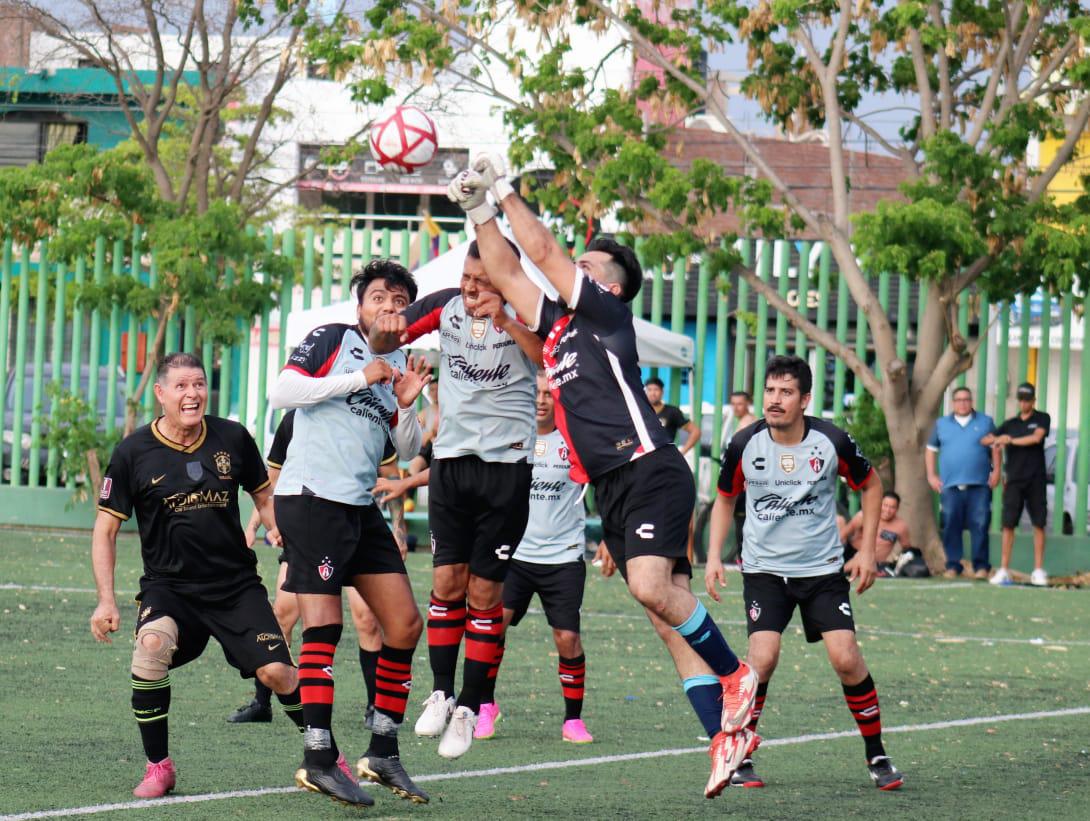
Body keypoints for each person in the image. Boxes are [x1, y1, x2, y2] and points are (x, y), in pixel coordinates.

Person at [447, 156, 757, 800]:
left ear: (609, 286)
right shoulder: (558, 326)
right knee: (666, 618)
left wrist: (503, 189)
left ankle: (736, 677)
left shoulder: (606, 317)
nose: (571, 268)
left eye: (584, 265)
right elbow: (507, 270)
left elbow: (539, 250)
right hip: (613, 488)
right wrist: (477, 210)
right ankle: (726, 741)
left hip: (648, 468)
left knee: (650, 587)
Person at [91, 353, 302, 799]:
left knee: (279, 674)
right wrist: (106, 599)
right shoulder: (132, 452)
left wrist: (276, 525)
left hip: (234, 586)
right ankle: (159, 768)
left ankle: (325, 754)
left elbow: (264, 496)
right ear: (161, 393)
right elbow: (105, 530)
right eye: (182, 386)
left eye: (200, 385)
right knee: (150, 648)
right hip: (169, 588)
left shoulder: (233, 437)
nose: (193, 395)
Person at [370, 239, 542, 761]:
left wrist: (505, 319)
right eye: (467, 277)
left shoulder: (530, 310)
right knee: (446, 582)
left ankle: (469, 706)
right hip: (450, 464)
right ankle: (442, 693)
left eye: (482, 281)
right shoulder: (446, 306)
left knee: (485, 595)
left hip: (506, 468)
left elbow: (548, 358)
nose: (470, 288)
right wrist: (386, 323)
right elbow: (388, 335)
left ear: (505, 280)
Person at [269, 259, 431, 807]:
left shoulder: (401, 361)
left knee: (404, 624)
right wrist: (362, 377)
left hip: (359, 506)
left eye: (400, 301)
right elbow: (283, 392)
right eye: (380, 297)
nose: (390, 307)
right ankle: (318, 758)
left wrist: (405, 405)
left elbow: (405, 448)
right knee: (325, 625)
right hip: (312, 498)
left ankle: (382, 751)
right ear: (361, 306)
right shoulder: (334, 339)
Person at [707, 355, 904, 792]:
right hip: (764, 570)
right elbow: (724, 497)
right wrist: (714, 555)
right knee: (762, 659)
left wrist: (866, 552)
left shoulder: (831, 441)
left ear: (805, 399)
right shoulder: (744, 443)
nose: (774, 400)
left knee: (846, 658)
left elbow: (872, 486)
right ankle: (740, 754)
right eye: (770, 390)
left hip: (821, 571)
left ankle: (877, 754)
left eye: (786, 392)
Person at [229, 411, 409, 736]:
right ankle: (262, 701)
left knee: (367, 619)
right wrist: (258, 525)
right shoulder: (295, 419)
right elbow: (271, 483)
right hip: (309, 527)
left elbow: (391, 476)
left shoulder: (367, 414)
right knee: (282, 615)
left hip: (356, 528)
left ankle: (375, 706)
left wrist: (398, 527)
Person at [474, 370, 594, 744]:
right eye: (535, 392)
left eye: (547, 393)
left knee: (567, 638)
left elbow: (604, 483)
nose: (541, 399)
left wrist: (612, 538)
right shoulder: (511, 437)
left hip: (563, 556)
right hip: (516, 555)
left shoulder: (575, 441)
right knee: (493, 628)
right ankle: (485, 705)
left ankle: (573, 720)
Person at [925, 387, 1000, 579]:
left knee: (980, 524)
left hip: (979, 485)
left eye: (966, 399)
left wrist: (997, 471)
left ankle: (981, 567)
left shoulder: (985, 422)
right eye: (959, 400)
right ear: (953, 403)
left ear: (971, 401)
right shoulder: (941, 424)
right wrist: (931, 475)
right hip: (951, 485)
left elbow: (996, 447)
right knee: (951, 524)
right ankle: (952, 565)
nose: (963, 403)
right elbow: (931, 449)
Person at [983, 383, 1051, 587]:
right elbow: (987, 440)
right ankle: (1004, 569)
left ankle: (1038, 570)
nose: (1023, 403)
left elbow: (1036, 438)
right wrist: (997, 440)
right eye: (1021, 399)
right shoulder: (1010, 424)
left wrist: (1009, 440)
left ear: (1033, 400)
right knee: (1008, 524)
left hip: (1036, 479)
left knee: (1038, 524)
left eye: (1027, 400)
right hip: (1013, 480)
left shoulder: (1042, 418)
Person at [722, 391, 757, 562]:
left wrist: (746, 477)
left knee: (743, 518)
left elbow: (748, 452)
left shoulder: (748, 423)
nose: (736, 408)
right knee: (740, 518)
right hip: (742, 476)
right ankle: (744, 556)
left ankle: (745, 557)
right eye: (733, 404)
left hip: (746, 479)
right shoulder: (743, 422)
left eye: (740, 404)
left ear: (748, 403)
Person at [841, 491, 912, 571]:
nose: (888, 510)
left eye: (892, 507)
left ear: (897, 508)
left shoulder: (901, 526)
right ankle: (840, 572)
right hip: (852, 554)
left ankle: (841, 572)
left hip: (876, 564)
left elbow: (907, 549)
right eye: (885, 505)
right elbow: (842, 535)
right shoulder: (864, 515)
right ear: (879, 504)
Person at [645, 377, 700, 455]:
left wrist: (681, 453)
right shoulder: (641, 411)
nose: (652, 393)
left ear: (662, 392)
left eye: (656, 389)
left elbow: (695, 432)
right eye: (649, 390)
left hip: (665, 456)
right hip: (644, 457)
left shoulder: (672, 411)